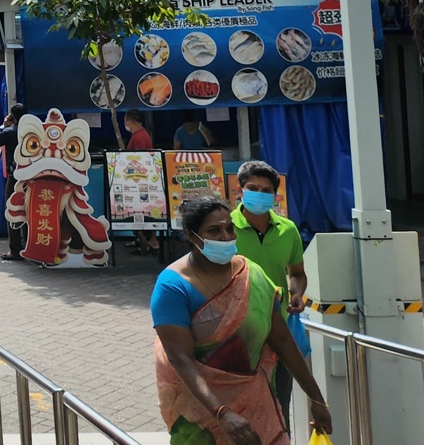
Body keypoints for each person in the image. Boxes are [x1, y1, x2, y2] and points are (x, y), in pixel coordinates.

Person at [152, 197, 333, 445]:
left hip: (257, 406)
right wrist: (221, 413)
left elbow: (282, 340)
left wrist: (316, 399)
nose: (226, 237)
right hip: (201, 415)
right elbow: (180, 358)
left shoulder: (252, 275)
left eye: (229, 228)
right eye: (214, 231)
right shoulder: (173, 286)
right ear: (192, 236)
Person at [231, 161, 307, 424]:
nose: (259, 194)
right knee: (239, 409)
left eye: (266, 190)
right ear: (240, 190)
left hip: (279, 333)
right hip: (235, 334)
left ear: (275, 195)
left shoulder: (288, 230)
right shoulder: (224, 228)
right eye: (253, 187)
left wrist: (297, 293)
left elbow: (296, 273)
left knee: (279, 406)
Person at [0, 104, 27, 260]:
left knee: (13, 210)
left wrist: (3, 126)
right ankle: (29, 245)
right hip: (31, 177)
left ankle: (15, 250)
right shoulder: (32, 132)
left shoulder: (10, 132)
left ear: (13, 117)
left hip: (15, 176)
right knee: (29, 210)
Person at [125, 113, 161, 253]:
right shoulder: (140, 134)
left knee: (143, 211)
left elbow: (139, 159)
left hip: (139, 181)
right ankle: (144, 240)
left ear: (129, 121)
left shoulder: (139, 137)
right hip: (141, 180)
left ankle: (150, 241)